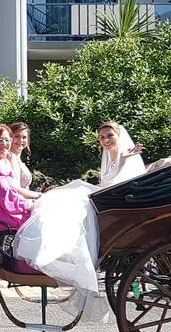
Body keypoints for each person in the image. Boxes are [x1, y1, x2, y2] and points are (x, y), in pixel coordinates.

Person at [13, 122, 146, 302]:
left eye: (109, 136)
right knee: (59, 198)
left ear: (119, 136)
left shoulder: (126, 156)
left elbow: (119, 186)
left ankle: (57, 253)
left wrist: (123, 160)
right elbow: (106, 183)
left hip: (113, 202)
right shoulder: (109, 155)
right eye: (102, 137)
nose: (106, 140)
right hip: (105, 197)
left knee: (66, 202)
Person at [0, 125, 40, 231]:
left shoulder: (3, 161)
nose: (4, 144)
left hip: (4, 210)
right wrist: (29, 205)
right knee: (39, 221)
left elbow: (15, 189)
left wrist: (38, 197)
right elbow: (5, 196)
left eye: (7, 140)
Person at [7, 122, 40, 199]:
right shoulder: (11, 157)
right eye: (17, 136)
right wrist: (40, 195)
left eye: (24, 137)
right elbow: (16, 190)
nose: (20, 140)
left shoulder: (17, 158)